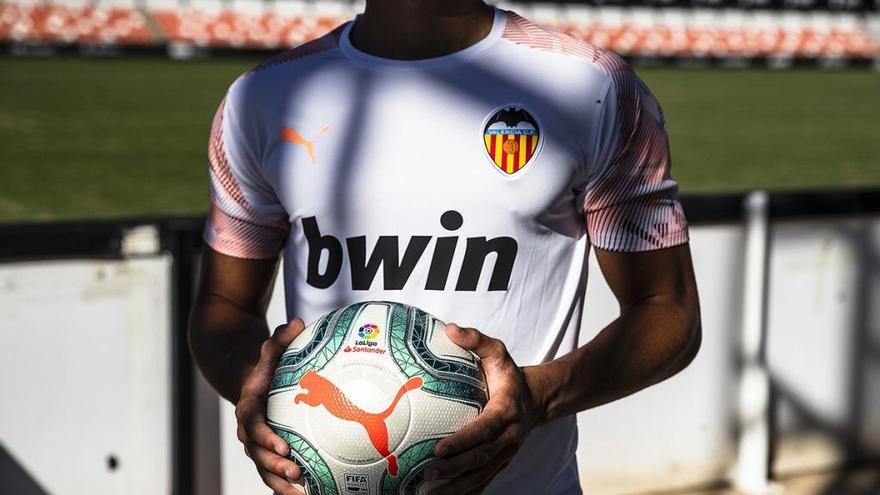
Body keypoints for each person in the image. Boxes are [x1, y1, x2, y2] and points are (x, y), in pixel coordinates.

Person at [188, 1, 702, 494]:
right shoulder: (261, 98)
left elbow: (668, 309)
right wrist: (256, 393)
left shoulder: (592, 86)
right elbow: (224, 307)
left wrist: (538, 395)